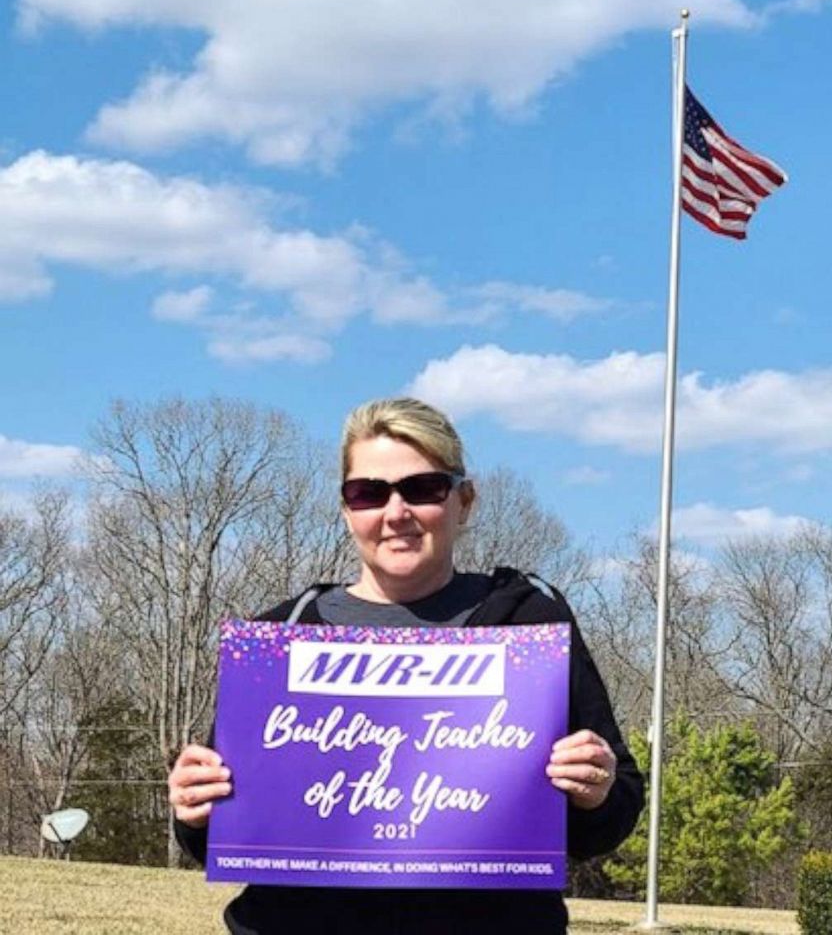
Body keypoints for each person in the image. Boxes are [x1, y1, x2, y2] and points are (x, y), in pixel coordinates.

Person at [168, 397, 644, 934]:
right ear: (347, 511)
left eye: (422, 488)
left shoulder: (527, 623)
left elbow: (613, 811)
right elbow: (217, 840)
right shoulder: (283, 638)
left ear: (464, 501)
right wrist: (196, 808)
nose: (396, 513)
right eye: (368, 493)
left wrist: (594, 793)